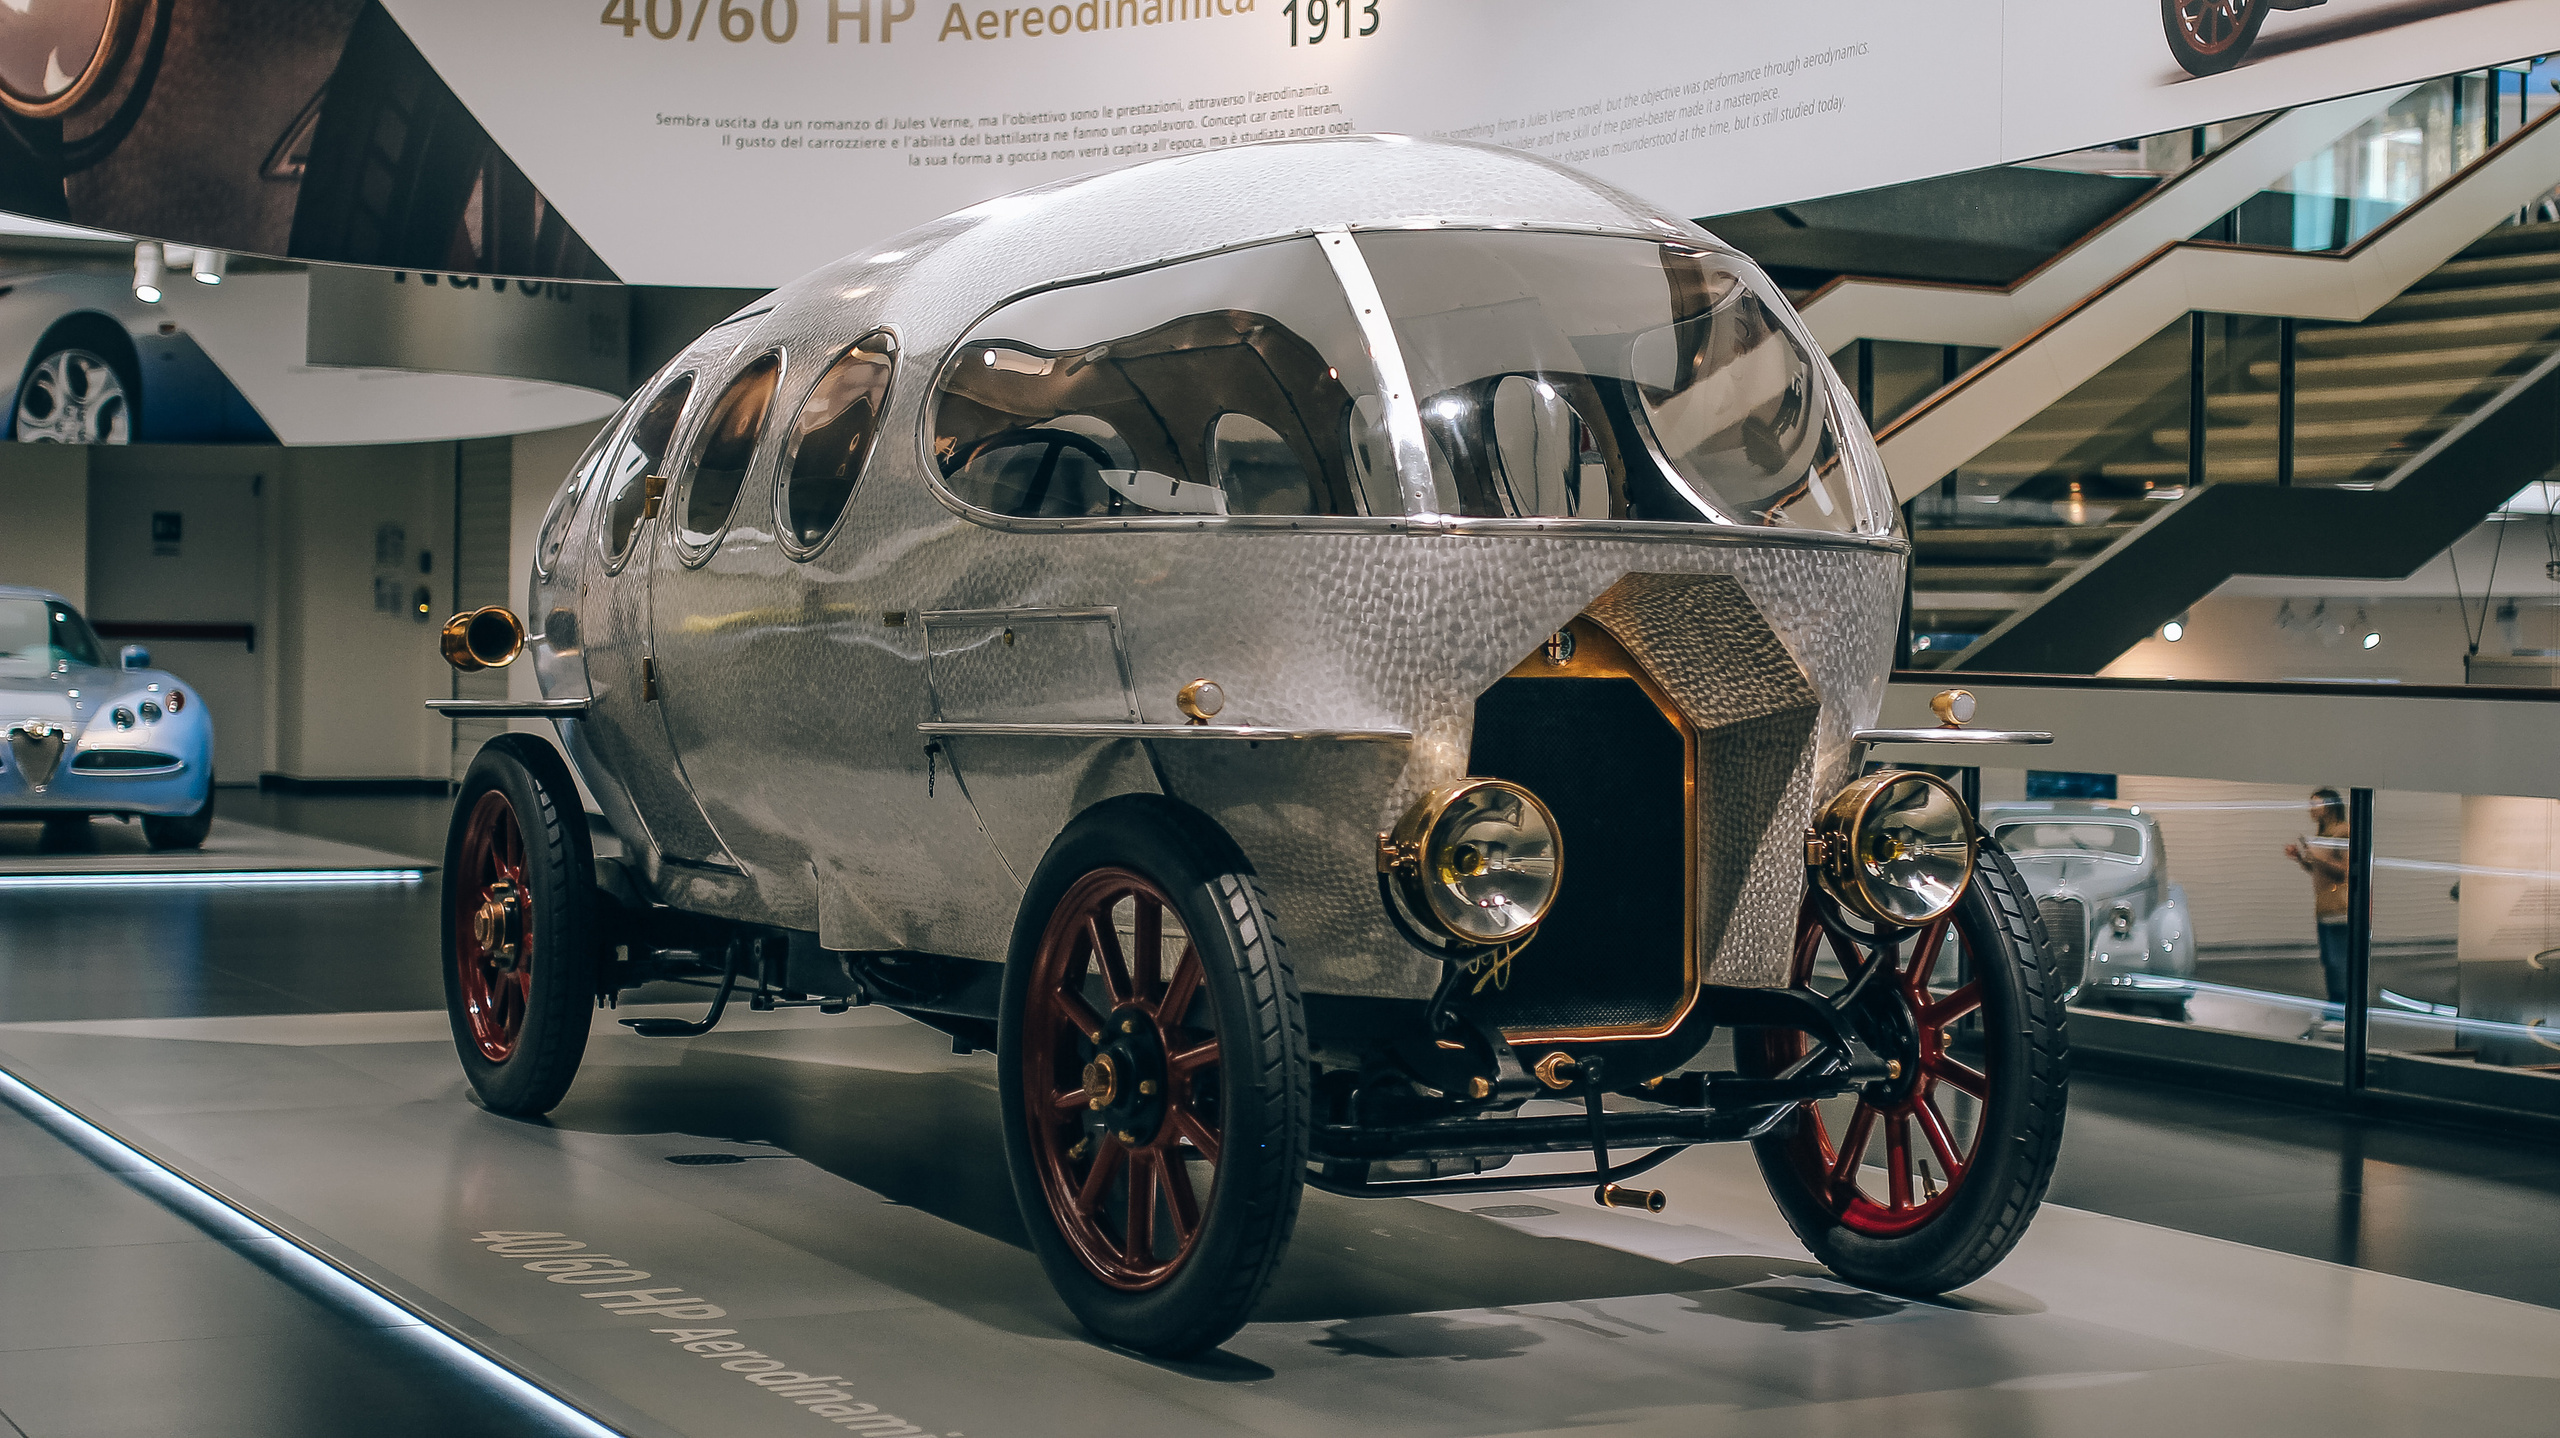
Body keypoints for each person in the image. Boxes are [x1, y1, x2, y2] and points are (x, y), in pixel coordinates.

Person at [2283, 788, 2352, 1016]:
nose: (2311, 810)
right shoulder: (2324, 834)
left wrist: (2318, 858)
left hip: (2340, 910)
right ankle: (2335, 1007)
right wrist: (2302, 859)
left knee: (2338, 962)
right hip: (2325, 907)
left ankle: (2340, 1010)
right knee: (2329, 961)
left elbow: (2344, 872)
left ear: (2330, 807)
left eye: (2316, 805)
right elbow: (2319, 872)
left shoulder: (2343, 832)